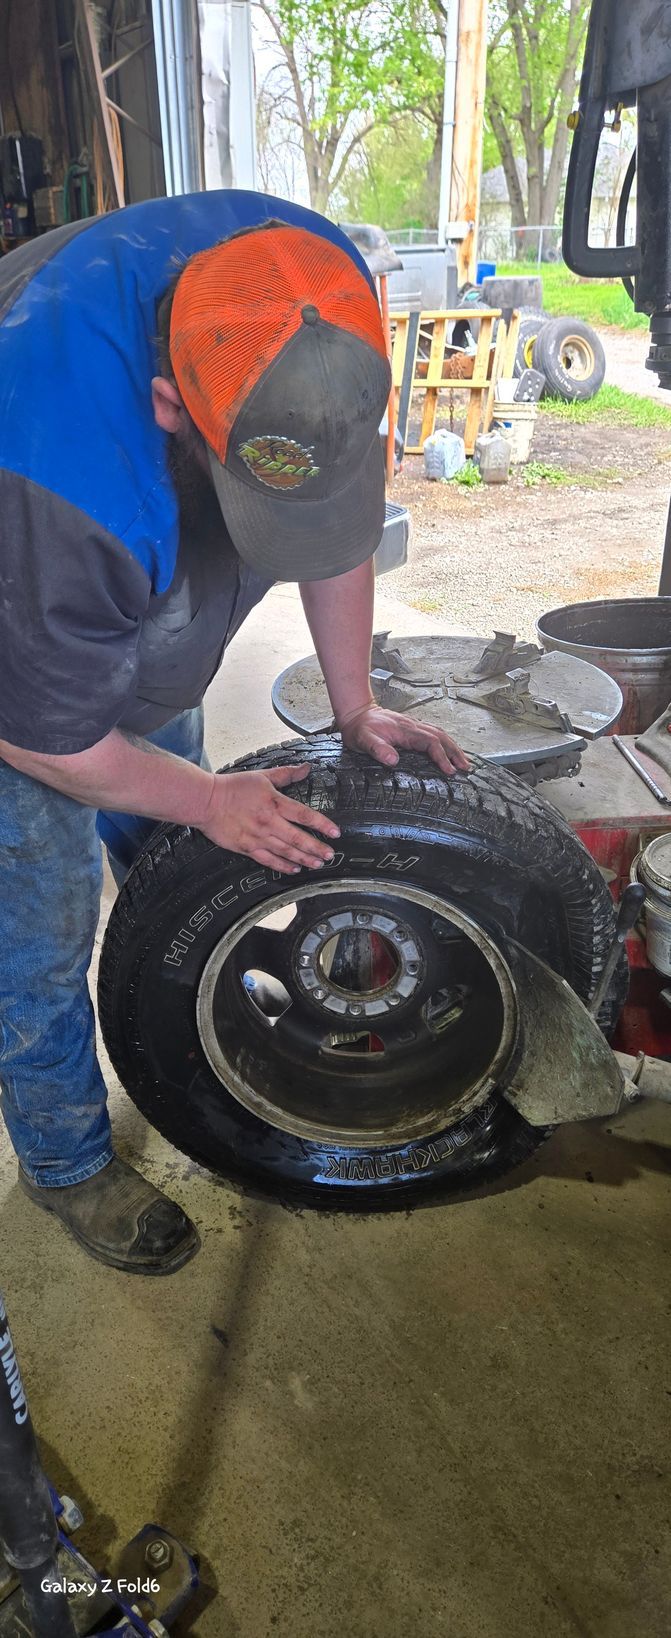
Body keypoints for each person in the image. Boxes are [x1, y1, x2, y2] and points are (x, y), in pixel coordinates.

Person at [0, 189, 468, 1275]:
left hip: (120, 569)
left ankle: (186, 998)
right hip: (23, 649)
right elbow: (42, 737)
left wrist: (354, 704)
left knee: (177, 842)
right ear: (172, 405)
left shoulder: (312, 300)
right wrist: (204, 797)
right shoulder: (53, 474)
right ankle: (65, 1163)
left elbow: (334, 520)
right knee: (41, 920)